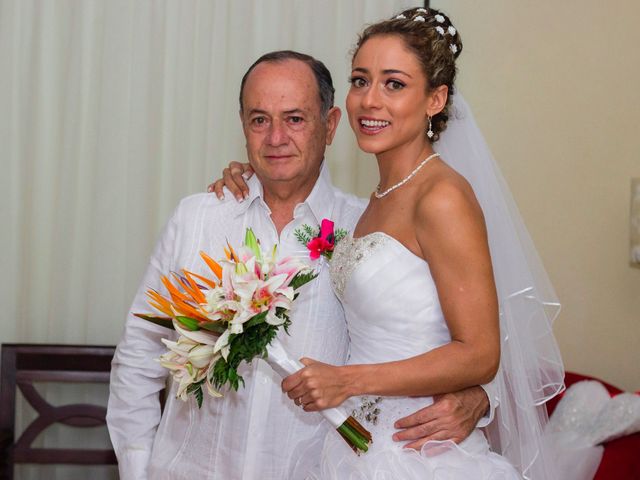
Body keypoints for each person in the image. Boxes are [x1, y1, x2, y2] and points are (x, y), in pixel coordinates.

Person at [211, 7, 565, 479]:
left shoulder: (441, 197)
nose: (369, 101)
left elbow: (480, 352)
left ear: (435, 99)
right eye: (360, 81)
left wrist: (347, 380)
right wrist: (256, 174)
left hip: (420, 453)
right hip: (364, 448)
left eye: (393, 84)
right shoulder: (373, 203)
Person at [107, 49, 494, 480]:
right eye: (259, 119)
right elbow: (141, 351)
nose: (275, 138)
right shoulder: (197, 218)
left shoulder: (362, 236)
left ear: (328, 126)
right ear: (243, 126)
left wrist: (479, 395)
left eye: (294, 119)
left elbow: (438, 332)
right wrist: (137, 466)